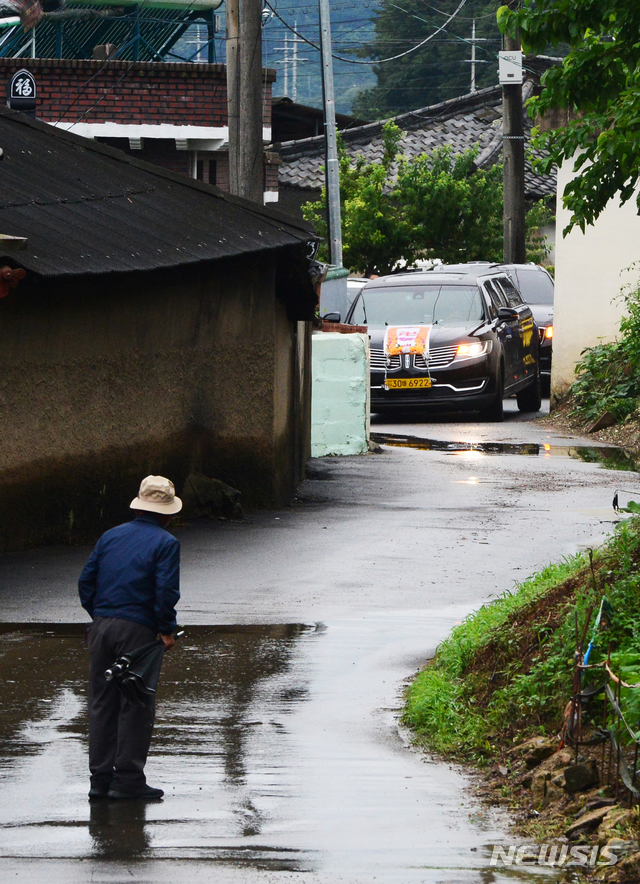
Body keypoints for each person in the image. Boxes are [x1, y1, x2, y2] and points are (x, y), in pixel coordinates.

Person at [78, 475, 182, 801]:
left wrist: (100, 617)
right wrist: (166, 629)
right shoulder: (166, 543)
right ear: (167, 513)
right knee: (136, 703)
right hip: (138, 630)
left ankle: (99, 780)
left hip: (102, 626)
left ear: (138, 508)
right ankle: (127, 779)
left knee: (101, 702)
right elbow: (165, 591)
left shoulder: (110, 536)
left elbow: (86, 583)